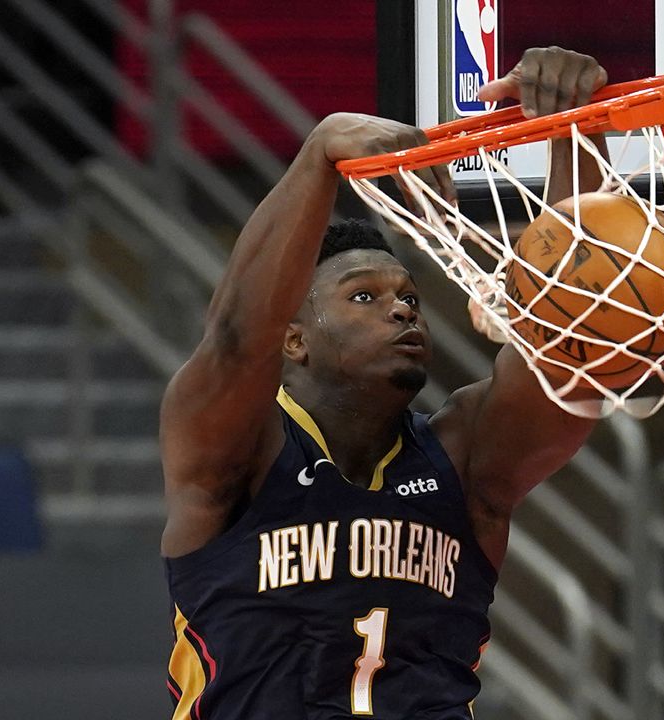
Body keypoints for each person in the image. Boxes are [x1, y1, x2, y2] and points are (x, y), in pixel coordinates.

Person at [160, 47, 610, 719]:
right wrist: (319, 157)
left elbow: (574, 365)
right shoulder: (237, 451)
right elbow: (233, 341)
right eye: (363, 297)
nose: (401, 307)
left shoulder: (463, 458)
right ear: (294, 338)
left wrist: (573, 130)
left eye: (407, 297)